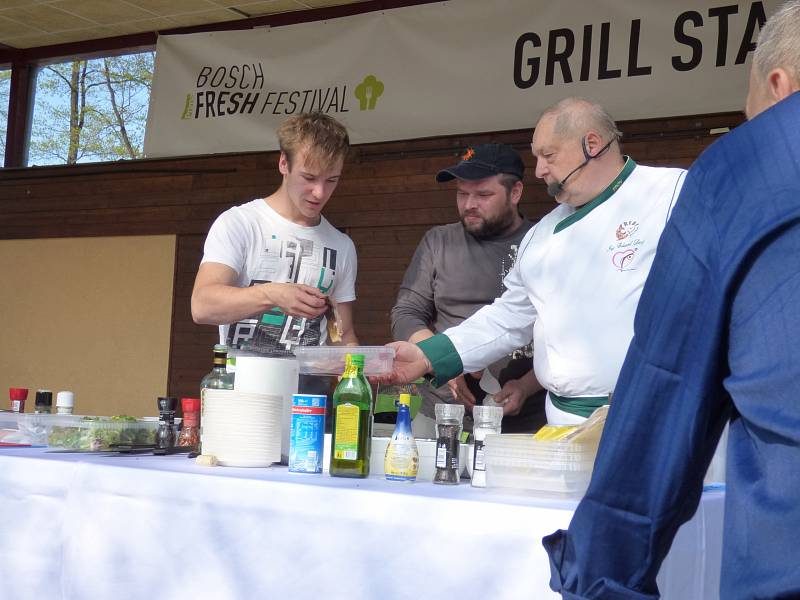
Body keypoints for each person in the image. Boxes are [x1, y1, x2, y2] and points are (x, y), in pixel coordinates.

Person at [542, 3, 800, 598]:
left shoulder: (730, 173)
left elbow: (664, 387)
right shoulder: (543, 232)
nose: (541, 170)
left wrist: (599, 578)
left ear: (779, 87)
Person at [378, 98, 687, 426]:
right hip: (565, 420)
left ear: (592, 145)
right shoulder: (543, 236)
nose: (539, 170)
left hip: (655, 414)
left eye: (548, 156)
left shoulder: (671, 194)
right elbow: (508, 318)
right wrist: (430, 356)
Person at [390, 143, 546, 437]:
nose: (469, 204)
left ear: (515, 193)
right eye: (462, 193)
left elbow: (565, 333)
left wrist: (525, 386)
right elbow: (406, 313)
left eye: (484, 194)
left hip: (527, 420)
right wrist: (442, 361)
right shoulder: (439, 241)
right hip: (442, 414)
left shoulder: (542, 243)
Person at [191, 112, 359, 367]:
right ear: (283, 164)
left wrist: (365, 373)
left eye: (332, 180)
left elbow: (342, 336)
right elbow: (202, 306)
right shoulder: (240, 223)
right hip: (243, 393)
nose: (320, 192)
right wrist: (272, 294)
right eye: (309, 178)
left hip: (309, 400)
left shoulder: (342, 245)